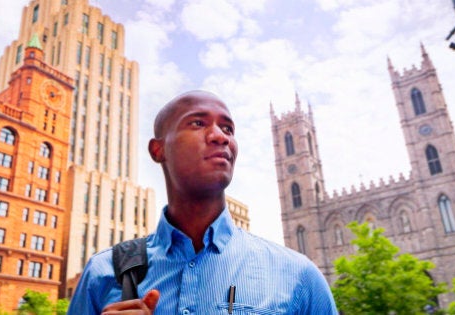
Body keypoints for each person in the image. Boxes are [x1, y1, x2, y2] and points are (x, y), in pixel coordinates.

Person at [68, 90, 338, 314]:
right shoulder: (102, 273)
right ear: (158, 149)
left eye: (228, 128)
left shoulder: (299, 276)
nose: (221, 136)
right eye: (198, 123)